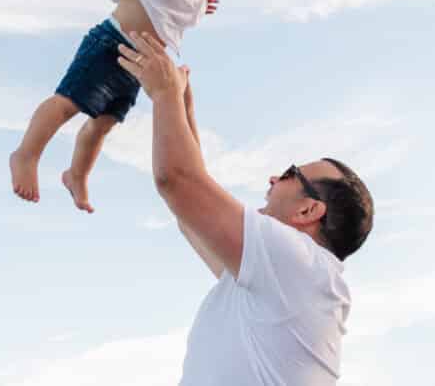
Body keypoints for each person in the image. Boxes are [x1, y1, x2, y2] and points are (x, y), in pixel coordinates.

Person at [116, 30, 374, 386]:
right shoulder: (278, 281)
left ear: (308, 211)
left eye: (289, 174)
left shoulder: (299, 263)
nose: (272, 178)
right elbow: (191, 214)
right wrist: (182, 106)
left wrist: (164, 94)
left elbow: (179, 182)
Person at [9, 0, 262, 212]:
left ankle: (77, 175)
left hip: (138, 63)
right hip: (111, 43)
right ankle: (26, 154)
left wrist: (202, 5)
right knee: (67, 103)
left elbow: (173, 4)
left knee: (103, 123)